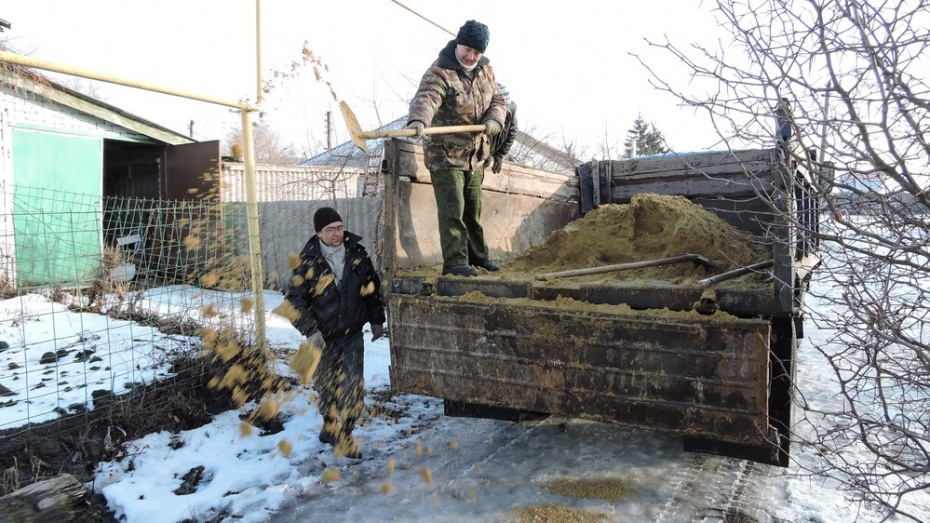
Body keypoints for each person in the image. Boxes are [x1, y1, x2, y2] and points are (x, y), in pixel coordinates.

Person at [406, 19, 507, 278]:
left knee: (473, 211)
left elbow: (498, 99)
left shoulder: (485, 70)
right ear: (457, 43)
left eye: (477, 52)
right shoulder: (440, 71)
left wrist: (495, 119)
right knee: (454, 211)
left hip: (475, 156)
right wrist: (419, 120)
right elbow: (427, 97)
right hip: (446, 156)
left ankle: (478, 257)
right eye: (467, 50)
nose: (471, 57)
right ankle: (455, 262)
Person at [284, 207, 386, 459]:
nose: (337, 233)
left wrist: (376, 320)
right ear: (318, 233)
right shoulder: (306, 261)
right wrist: (310, 330)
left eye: (339, 227)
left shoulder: (357, 254)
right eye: (330, 229)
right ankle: (329, 427)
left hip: (352, 334)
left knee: (352, 385)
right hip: (323, 337)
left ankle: (347, 436)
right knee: (326, 385)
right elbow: (294, 300)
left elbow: (372, 288)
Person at [484, 83, 518, 175]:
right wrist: (484, 152)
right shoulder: (484, 108)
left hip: (496, 148)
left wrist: (500, 154)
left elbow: (512, 132)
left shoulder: (511, 110)